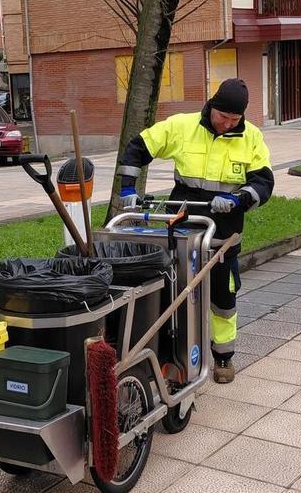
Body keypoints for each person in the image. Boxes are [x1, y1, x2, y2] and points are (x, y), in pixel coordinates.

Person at [117, 78, 274, 384]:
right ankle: (170, 354)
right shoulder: (182, 127)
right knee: (173, 295)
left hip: (222, 235)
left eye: (234, 120)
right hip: (181, 229)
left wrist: (238, 198)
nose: (227, 124)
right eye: (222, 117)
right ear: (211, 106)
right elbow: (138, 147)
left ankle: (224, 357)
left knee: (222, 300)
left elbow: (263, 183)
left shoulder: (252, 137)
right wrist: (127, 187)